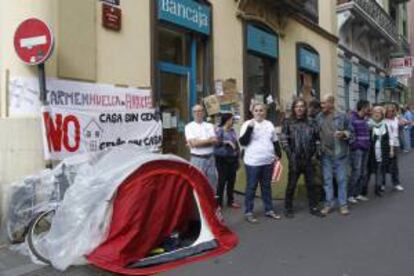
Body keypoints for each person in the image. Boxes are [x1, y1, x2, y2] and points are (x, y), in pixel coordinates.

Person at [280, 98, 324, 218]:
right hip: (295, 159)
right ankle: (288, 208)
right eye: (297, 106)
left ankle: (314, 207)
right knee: (291, 185)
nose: (299, 109)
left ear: (305, 108)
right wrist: (290, 155)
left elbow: (318, 139)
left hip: (309, 159)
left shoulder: (311, 122)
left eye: (302, 106)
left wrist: (316, 154)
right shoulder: (288, 122)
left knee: (311, 184)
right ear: (294, 109)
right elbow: (284, 139)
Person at [239, 103, 282, 223]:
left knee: (266, 186)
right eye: (256, 110)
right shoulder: (247, 124)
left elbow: (275, 140)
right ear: (252, 112)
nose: (259, 112)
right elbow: (243, 142)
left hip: (268, 161)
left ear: (265, 112)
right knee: (251, 187)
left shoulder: (269, 124)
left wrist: (279, 154)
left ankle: (269, 210)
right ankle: (248, 212)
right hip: (253, 162)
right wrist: (250, 129)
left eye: (261, 110)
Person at [317, 95, 354, 216]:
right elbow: (316, 134)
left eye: (324, 103)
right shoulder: (319, 117)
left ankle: (343, 205)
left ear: (331, 103)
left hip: (340, 154)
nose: (321, 106)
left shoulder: (342, 116)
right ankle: (328, 204)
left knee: (342, 180)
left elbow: (352, 133)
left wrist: (344, 133)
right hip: (325, 154)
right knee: (327, 180)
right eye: (321, 103)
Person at [185, 104, 218, 188]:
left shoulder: (209, 125)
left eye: (200, 111)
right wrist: (208, 141)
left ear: (203, 113)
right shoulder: (189, 127)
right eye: (195, 111)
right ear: (192, 114)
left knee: (211, 185)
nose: (198, 113)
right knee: (197, 184)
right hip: (197, 159)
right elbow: (194, 144)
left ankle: (210, 201)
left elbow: (214, 141)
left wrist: (198, 142)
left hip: (210, 158)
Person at [214, 113, 241, 208]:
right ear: (227, 120)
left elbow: (236, 144)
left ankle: (230, 201)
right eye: (232, 119)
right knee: (222, 181)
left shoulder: (232, 130)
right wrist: (227, 142)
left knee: (231, 180)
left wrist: (238, 157)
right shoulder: (219, 130)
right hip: (222, 159)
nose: (233, 121)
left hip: (232, 158)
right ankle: (218, 203)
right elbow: (216, 143)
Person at [348, 100, 371, 204]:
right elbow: (351, 135)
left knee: (363, 172)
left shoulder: (365, 119)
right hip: (357, 150)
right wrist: (356, 145)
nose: (369, 109)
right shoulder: (352, 119)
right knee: (356, 172)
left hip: (365, 148)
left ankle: (358, 194)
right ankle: (350, 195)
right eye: (368, 107)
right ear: (362, 108)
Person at [366, 106, 391, 197]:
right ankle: (363, 189)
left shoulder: (385, 125)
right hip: (370, 152)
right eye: (375, 112)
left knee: (380, 171)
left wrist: (388, 151)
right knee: (368, 171)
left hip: (382, 151)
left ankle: (378, 188)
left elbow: (388, 139)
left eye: (379, 112)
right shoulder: (368, 124)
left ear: (382, 114)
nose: (376, 114)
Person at [384, 104, 404, 192]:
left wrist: (402, 122)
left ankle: (396, 183)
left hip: (395, 144)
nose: (390, 112)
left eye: (392, 111)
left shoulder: (396, 119)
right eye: (388, 111)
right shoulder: (383, 120)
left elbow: (403, 124)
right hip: (385, 144)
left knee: (394, 165)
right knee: (384, 164)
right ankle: (382, 183)